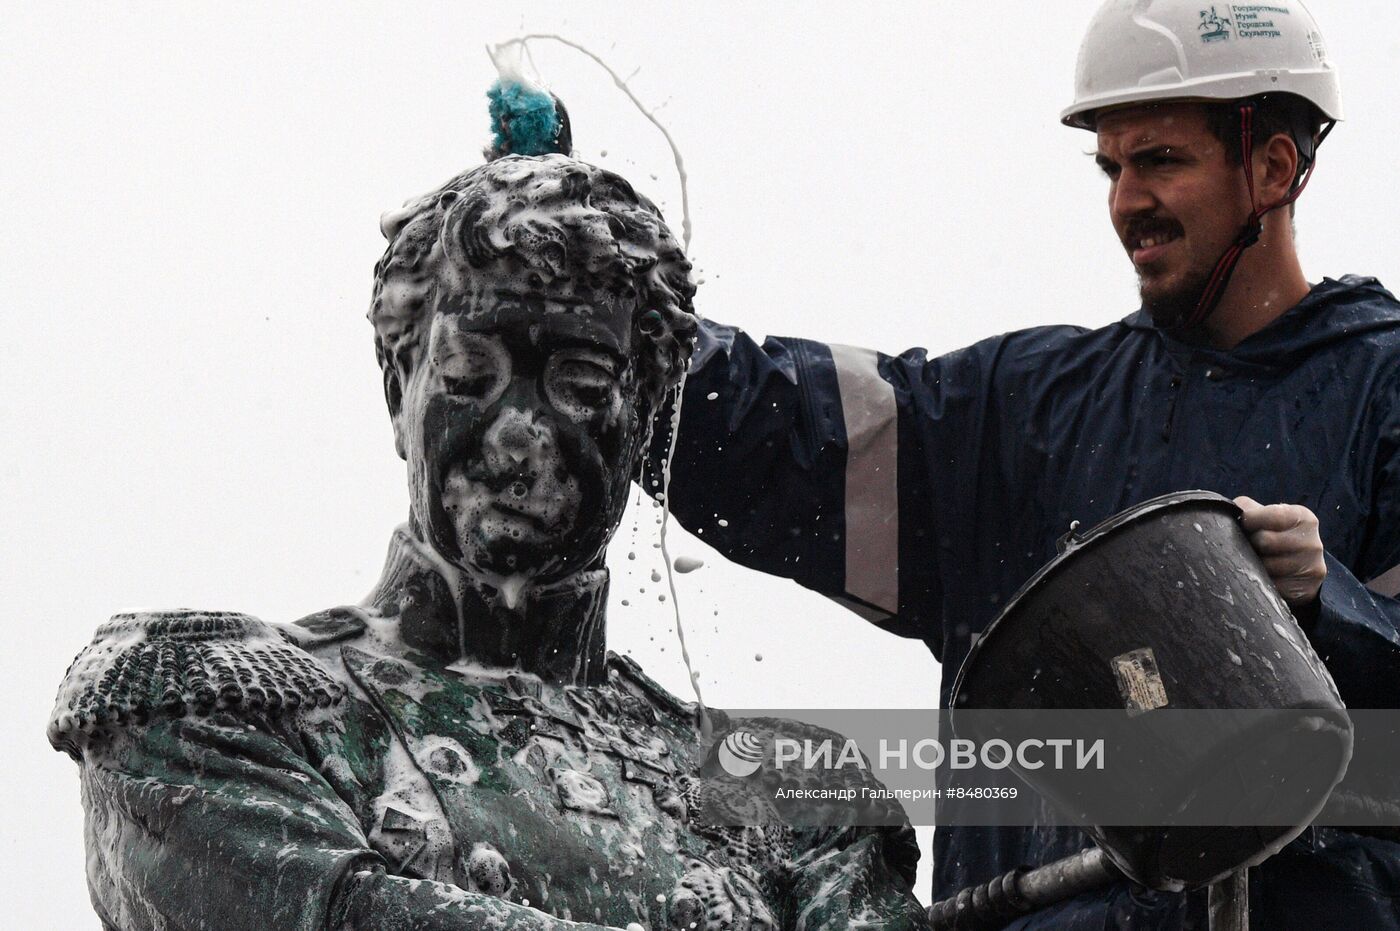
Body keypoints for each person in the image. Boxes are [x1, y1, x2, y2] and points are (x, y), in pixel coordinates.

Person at [652, 0, 1400, 925]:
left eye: (1162, 159)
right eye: (1112, 166)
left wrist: (1329, 609)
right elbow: (782, 429)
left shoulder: (1385, 392)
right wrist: (615, 324)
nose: (1128, 201)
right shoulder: (1024, 414)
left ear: (1274, 166)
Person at [47, 147, 930, 929]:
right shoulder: (211, 705)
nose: (520, 435)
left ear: (644, 418)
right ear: (401, 387)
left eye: (581, 384)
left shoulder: (793, 789)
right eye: (472, 374)